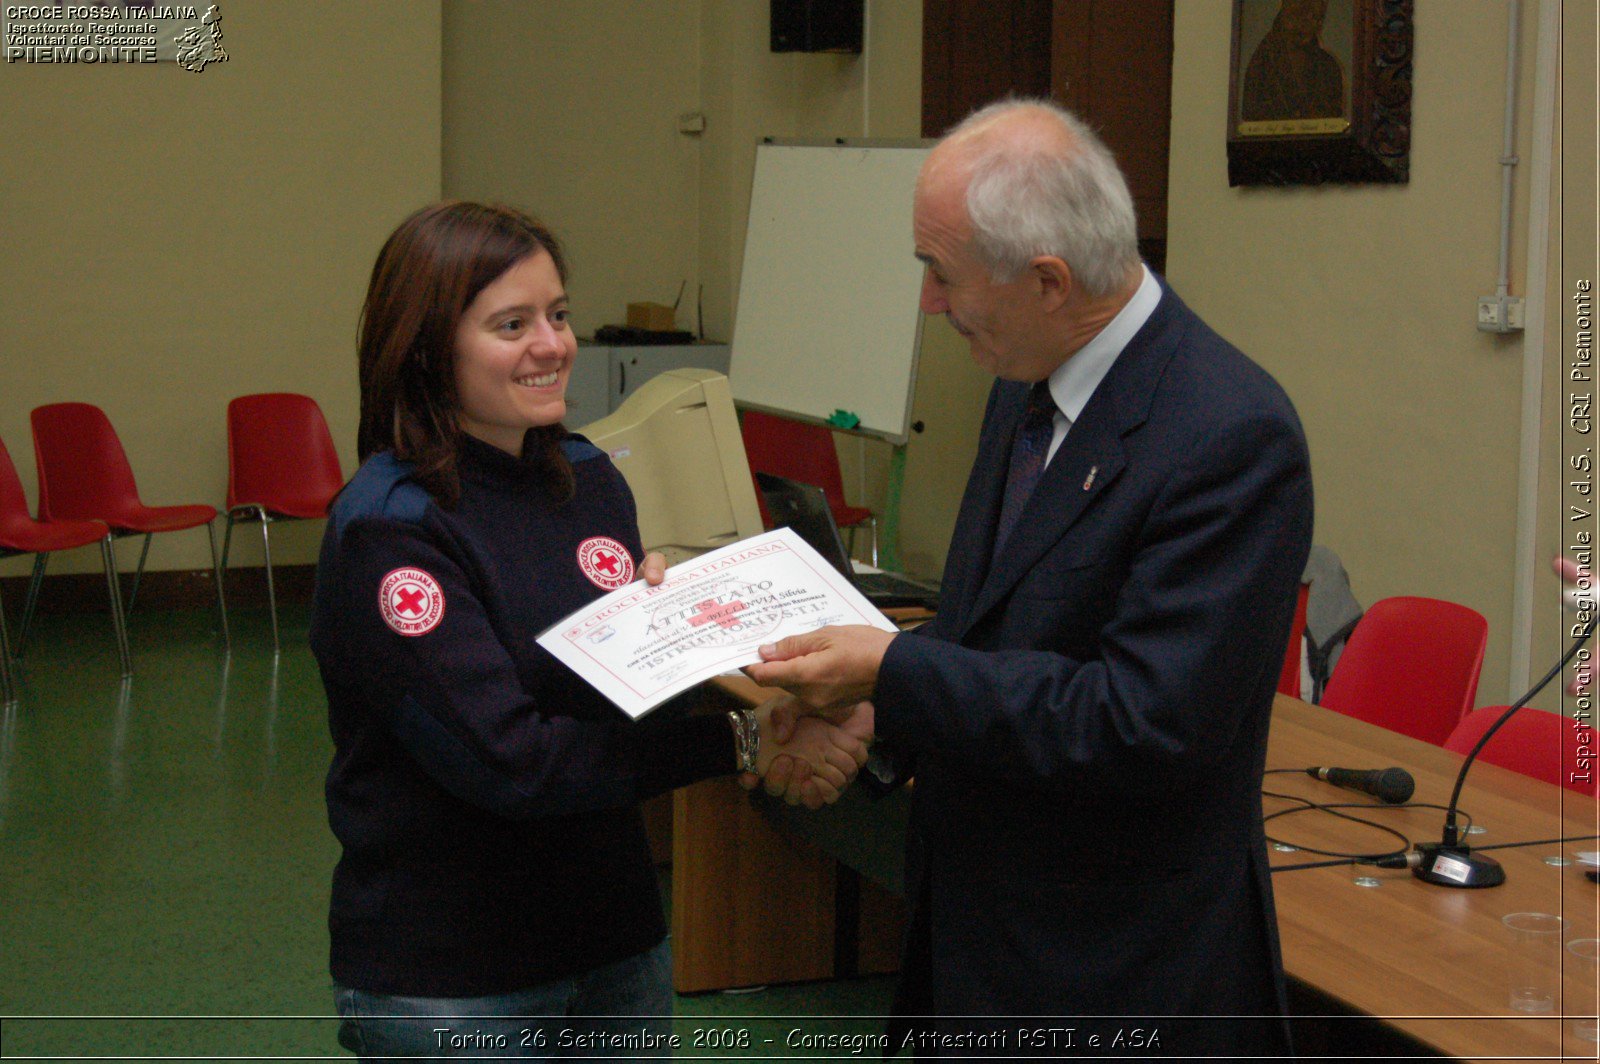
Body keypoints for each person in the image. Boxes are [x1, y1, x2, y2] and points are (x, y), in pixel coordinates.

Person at [745, 100, 1314, 1057]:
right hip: (973, 944)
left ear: (1048, 280)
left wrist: (893, 672)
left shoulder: (1231, 435)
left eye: (939, 272)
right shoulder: (1026, 382)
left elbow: (1145, 723)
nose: (927, 303)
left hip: (1115, 971)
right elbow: (991, 641)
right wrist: (877, 712)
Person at [310, 201, 871, 1061]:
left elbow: (615, 695)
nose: (554, 344)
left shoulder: (584, 476)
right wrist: (744, 744)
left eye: (559, 314)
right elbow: (514, 764)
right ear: (427, 349)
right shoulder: (393, 531)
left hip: (614, 940)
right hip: (459, 977)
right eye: (512, 324)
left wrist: (679, 630)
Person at [1241, 0, 1345, 123]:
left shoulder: (1329, 69)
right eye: (1302, 11)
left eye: (1316, 17)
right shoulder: (1262, 64)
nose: (1309, 19)